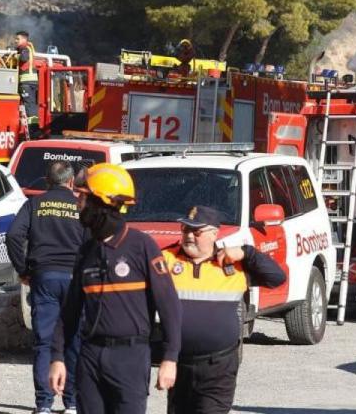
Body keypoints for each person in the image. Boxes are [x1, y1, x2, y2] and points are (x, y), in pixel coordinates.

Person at [49, 163, 182, 414]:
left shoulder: (142, 246)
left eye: (83, 197)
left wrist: (170, 358)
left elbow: (169, 307)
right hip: (90, 357)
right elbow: (70, 313)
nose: (78, 203)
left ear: (102, 203)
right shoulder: (86, 251)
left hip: (130, 358)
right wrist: (57, 357)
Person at [163, 206, 286, 414]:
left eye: (197, 231)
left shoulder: (232, 264)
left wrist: (247, 253)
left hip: (218, 367)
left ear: (214, 234)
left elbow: (277, 278)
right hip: (180, 364)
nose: (189, 236)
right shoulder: (166, 259)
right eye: (185, 229)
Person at [6, 161, 84, 414]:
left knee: (44, 341)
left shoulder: (34, 204)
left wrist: (23, 269)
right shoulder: (79, 206)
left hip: (44, 278)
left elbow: (13, 236)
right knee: (74, 339)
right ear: (71, 182)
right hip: (75, 279)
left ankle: (44, 404)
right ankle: (71, 402)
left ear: (46, 181)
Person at [13, 30, 40, 138]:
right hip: (31, 82)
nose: (16, 41)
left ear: (24, 39)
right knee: (31, 106)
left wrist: (15, 57)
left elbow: (23, 58)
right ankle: (33, 129)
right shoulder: (29, 48)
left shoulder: (24, 49)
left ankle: (33, 130)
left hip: (26, 83)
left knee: (29, 107)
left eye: (17, 39)